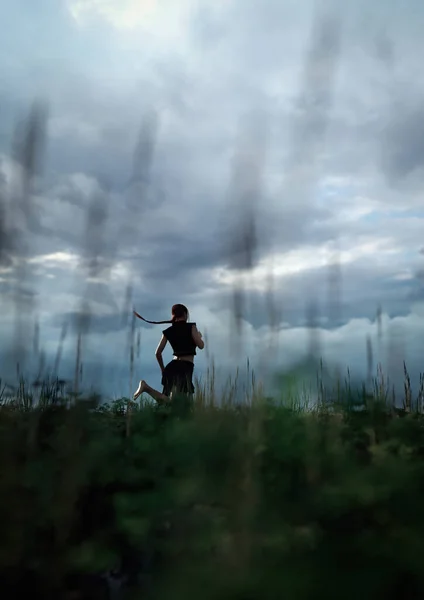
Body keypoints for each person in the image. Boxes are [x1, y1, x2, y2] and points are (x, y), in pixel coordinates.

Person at [132, 303, 204, 404]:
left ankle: (146, 388)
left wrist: (163, 370)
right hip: (185, 366)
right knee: (181, 403)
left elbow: (158, 353)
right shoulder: (191, 327)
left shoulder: (168, 331)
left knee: (167, 401)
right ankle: (146, 388)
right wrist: (199, 337)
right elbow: (201, 346)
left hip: (172, 367)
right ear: (185, 314)